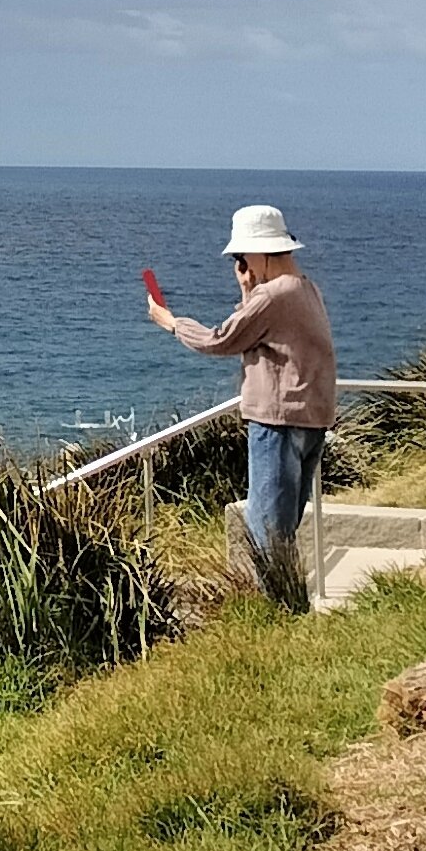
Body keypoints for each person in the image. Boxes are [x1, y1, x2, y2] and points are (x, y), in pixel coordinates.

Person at [150, 204, 340, 613]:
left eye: (241, 256)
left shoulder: (273, 295)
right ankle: (288, 611)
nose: (240, 264)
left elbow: (223, 338)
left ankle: (277, 615)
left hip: (277, 420)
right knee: (282, 529)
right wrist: (247, 291)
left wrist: (172, 323)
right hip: (310, 418)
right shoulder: (305, 287)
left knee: (267, 533)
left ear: (259, 252)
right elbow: (257, 330)